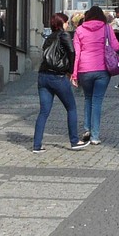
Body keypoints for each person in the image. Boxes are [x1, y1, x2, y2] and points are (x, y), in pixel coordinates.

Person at [33, 14, 89, 152]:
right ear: (62, 23)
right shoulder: (63, 35)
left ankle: (36, 146)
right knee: (71, 108)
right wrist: (71, 72)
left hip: (43, 76)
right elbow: (72, 52)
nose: (67, 24)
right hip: (57, 77)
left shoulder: (48, 38)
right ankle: (74, 141)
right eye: (66, 22)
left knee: (43, 112)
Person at [72, 5, 119, 145]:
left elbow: (77, 54)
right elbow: (116, 47)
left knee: (88, 98)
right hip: (102, 69)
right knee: (97, 101)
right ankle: (95, 136)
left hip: (84, 69)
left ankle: (87, 129)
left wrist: (74, 74)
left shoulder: (79, 30)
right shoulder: (107, 28)